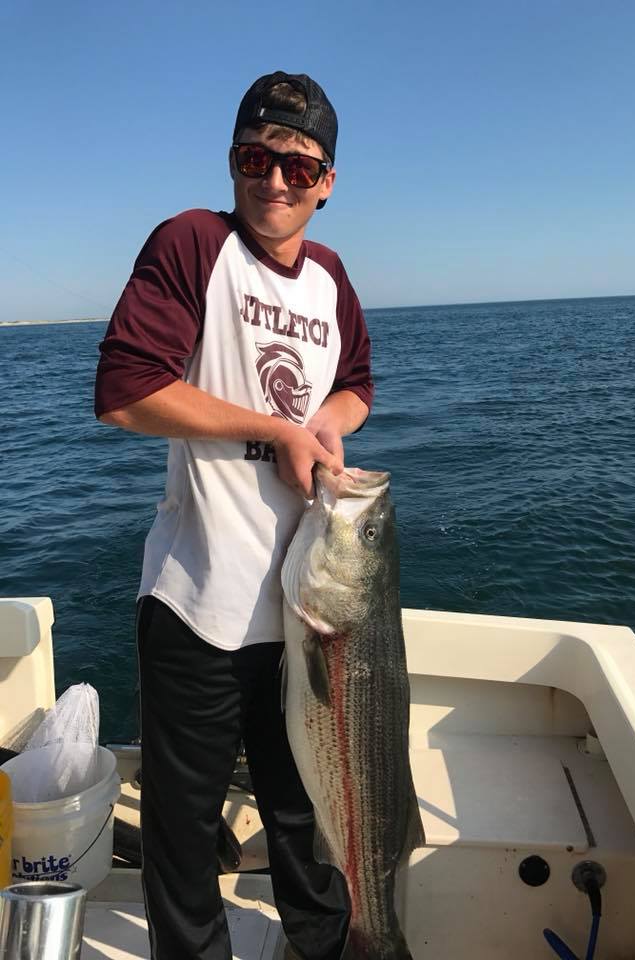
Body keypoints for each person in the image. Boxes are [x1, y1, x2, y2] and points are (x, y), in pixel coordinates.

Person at [94, 71, 373, 960]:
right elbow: (125, 390)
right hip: (198, 602)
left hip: (305, 615)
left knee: (304, 811)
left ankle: (329, 946)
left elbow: (357, 384)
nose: (277, 180)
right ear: (233, 161)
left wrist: (323, 422)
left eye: (300, 167)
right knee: (183, 832)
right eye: (258, 158)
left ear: (328, 182)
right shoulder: (193, 243)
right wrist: (274, 431)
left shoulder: (331, 278)